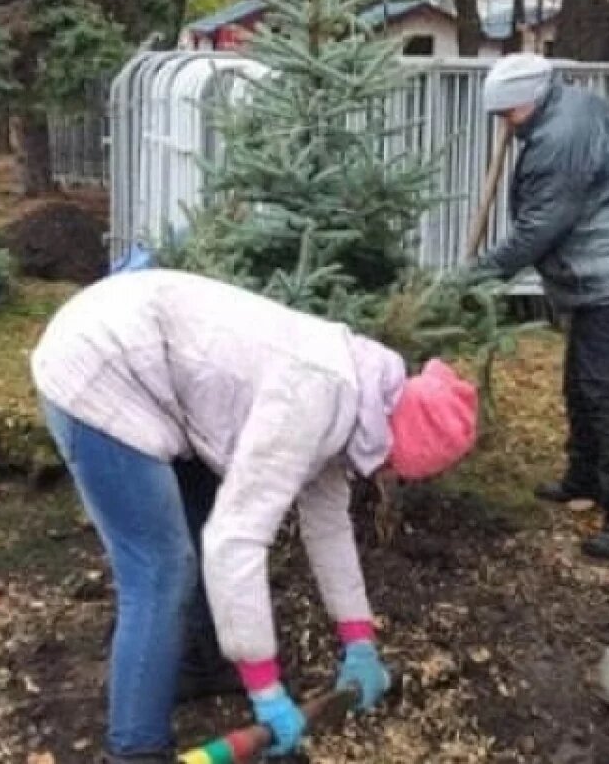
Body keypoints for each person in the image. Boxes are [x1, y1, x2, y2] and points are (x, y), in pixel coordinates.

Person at [30, 269, 479, 763]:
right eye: (395, 465)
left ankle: (202, 661)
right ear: (396, 438)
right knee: (160, 569)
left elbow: (328, 525)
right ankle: (135, 748)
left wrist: (359, 641)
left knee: (200, 529)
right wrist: (265, 691)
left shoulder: (360, 401)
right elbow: (236, 542)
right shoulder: (313, 397)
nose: (387, 474)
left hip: (162, 376)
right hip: (101, 365)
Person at [474, 54, 609, 560]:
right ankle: (585, 477)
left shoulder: (561, 137)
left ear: (530, 98)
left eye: (508, 114)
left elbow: (538, 230)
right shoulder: (567, 107)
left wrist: (472, 276)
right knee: (581, 382)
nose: (506, 124)